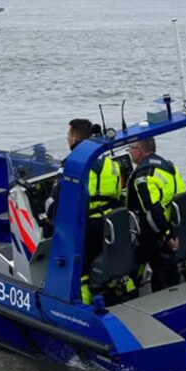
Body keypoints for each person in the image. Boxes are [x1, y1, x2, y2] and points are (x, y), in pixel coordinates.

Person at [45, 119, 131, 304]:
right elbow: (118, 194)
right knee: (107, 260)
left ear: (75, 137)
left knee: (82, 267)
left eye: (68, 134)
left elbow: (61, 198)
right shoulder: (110, 163)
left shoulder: (72, 164)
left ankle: (82, 304)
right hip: (111, 222)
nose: (67, 138)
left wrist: (51, 216)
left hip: (87, 224)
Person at [126, 137, 186, 292]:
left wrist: (167, 237)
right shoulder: (170, 167)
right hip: (175, 226)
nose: (129, 152)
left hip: (155, 234)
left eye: (130, 148)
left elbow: (152, 213)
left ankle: (132, 294)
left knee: (152, 269)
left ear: (139, 150)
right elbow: (181, 198)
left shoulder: (143, 177)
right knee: (167, 271)